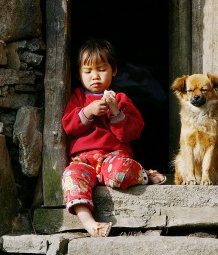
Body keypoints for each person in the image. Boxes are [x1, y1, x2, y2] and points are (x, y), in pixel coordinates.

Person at [61, 38, 166, 237]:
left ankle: (144, 174)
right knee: (70, 177)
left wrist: (116, 112)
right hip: (83, 162)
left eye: (101, 69)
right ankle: (91, 224)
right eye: (88, 71)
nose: (95, 76)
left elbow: (133, 132)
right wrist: (87, 112)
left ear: (114, 70)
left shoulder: (121, 99)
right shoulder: (77, 98)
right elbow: (69, 126)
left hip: (113, 158)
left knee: (122, 172)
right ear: (78, 74)